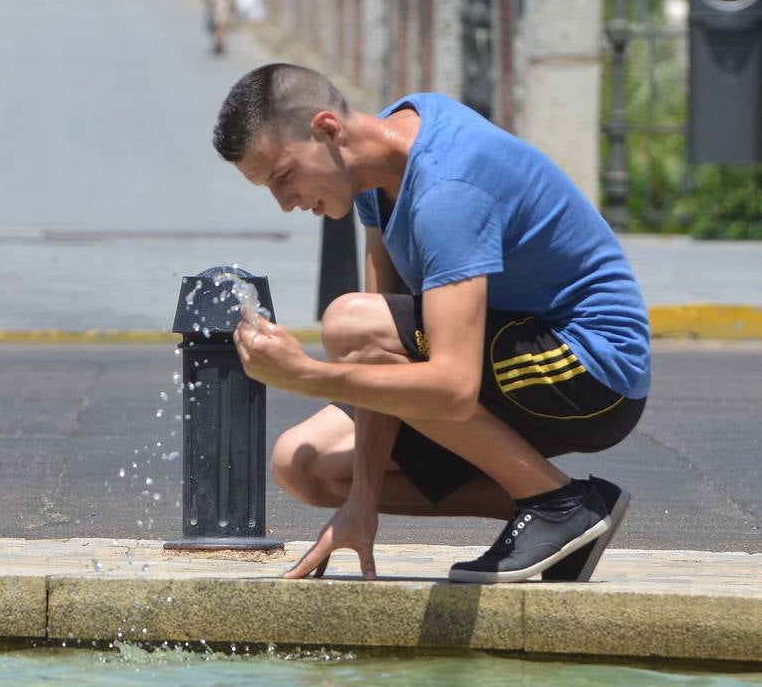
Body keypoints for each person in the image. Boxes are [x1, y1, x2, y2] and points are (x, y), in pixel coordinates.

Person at [212, 63, 651, 584]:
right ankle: (566, 507)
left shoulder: (448, 185)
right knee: (304, 465)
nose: (285, 203)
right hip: (513, 350)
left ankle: (555, 504)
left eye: (284, 176)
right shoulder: (378, 174)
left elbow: (451, 388)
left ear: (328, 131)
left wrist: (307, 376)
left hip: (591, 369)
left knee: (349, 322)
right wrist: (362, 504)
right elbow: (377, 353)